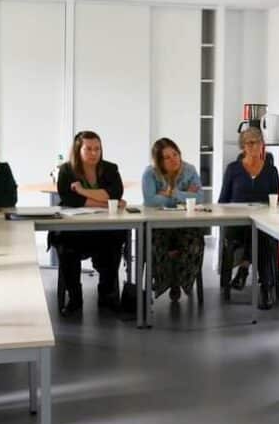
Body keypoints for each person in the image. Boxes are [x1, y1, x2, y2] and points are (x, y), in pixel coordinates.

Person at [52, 130, 128, 315]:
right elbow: (69, 199)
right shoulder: (66, 170)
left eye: (97, 149)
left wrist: (82, 191)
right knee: (66, 246)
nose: (94, 153)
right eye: (89, 149)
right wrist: (106, 202)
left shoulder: (110, 168)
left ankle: (106, 295)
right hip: (74, 229)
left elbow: (114, 194)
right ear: (78, 150)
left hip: (103, 229)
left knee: (116, 240)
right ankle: (75, 298)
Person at [217, 127, 279, 309]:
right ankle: (266, 286)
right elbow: (223, 201)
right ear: (243, 146)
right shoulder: (233, 169)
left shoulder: (271, 171)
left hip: (262, 222)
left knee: (261, 233)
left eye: (258, 142)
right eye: (250, 143)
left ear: (262, 146)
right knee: (257, 234)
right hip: (237, 224)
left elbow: (276, 200)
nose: (254, 146)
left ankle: (245, 270)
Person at [142, 138, 205, 303]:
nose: (174, 159)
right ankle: (167, 281)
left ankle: (178, 281)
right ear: (159, 161)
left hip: (185, 223)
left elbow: (199, 198)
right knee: (156, 244)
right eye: (167, 157)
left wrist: (171, 193)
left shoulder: (190, 170)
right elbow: (150, 201)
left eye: (175, 154)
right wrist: (184, 196)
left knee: (194, 244)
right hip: (158, 224)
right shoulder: (149, 173)